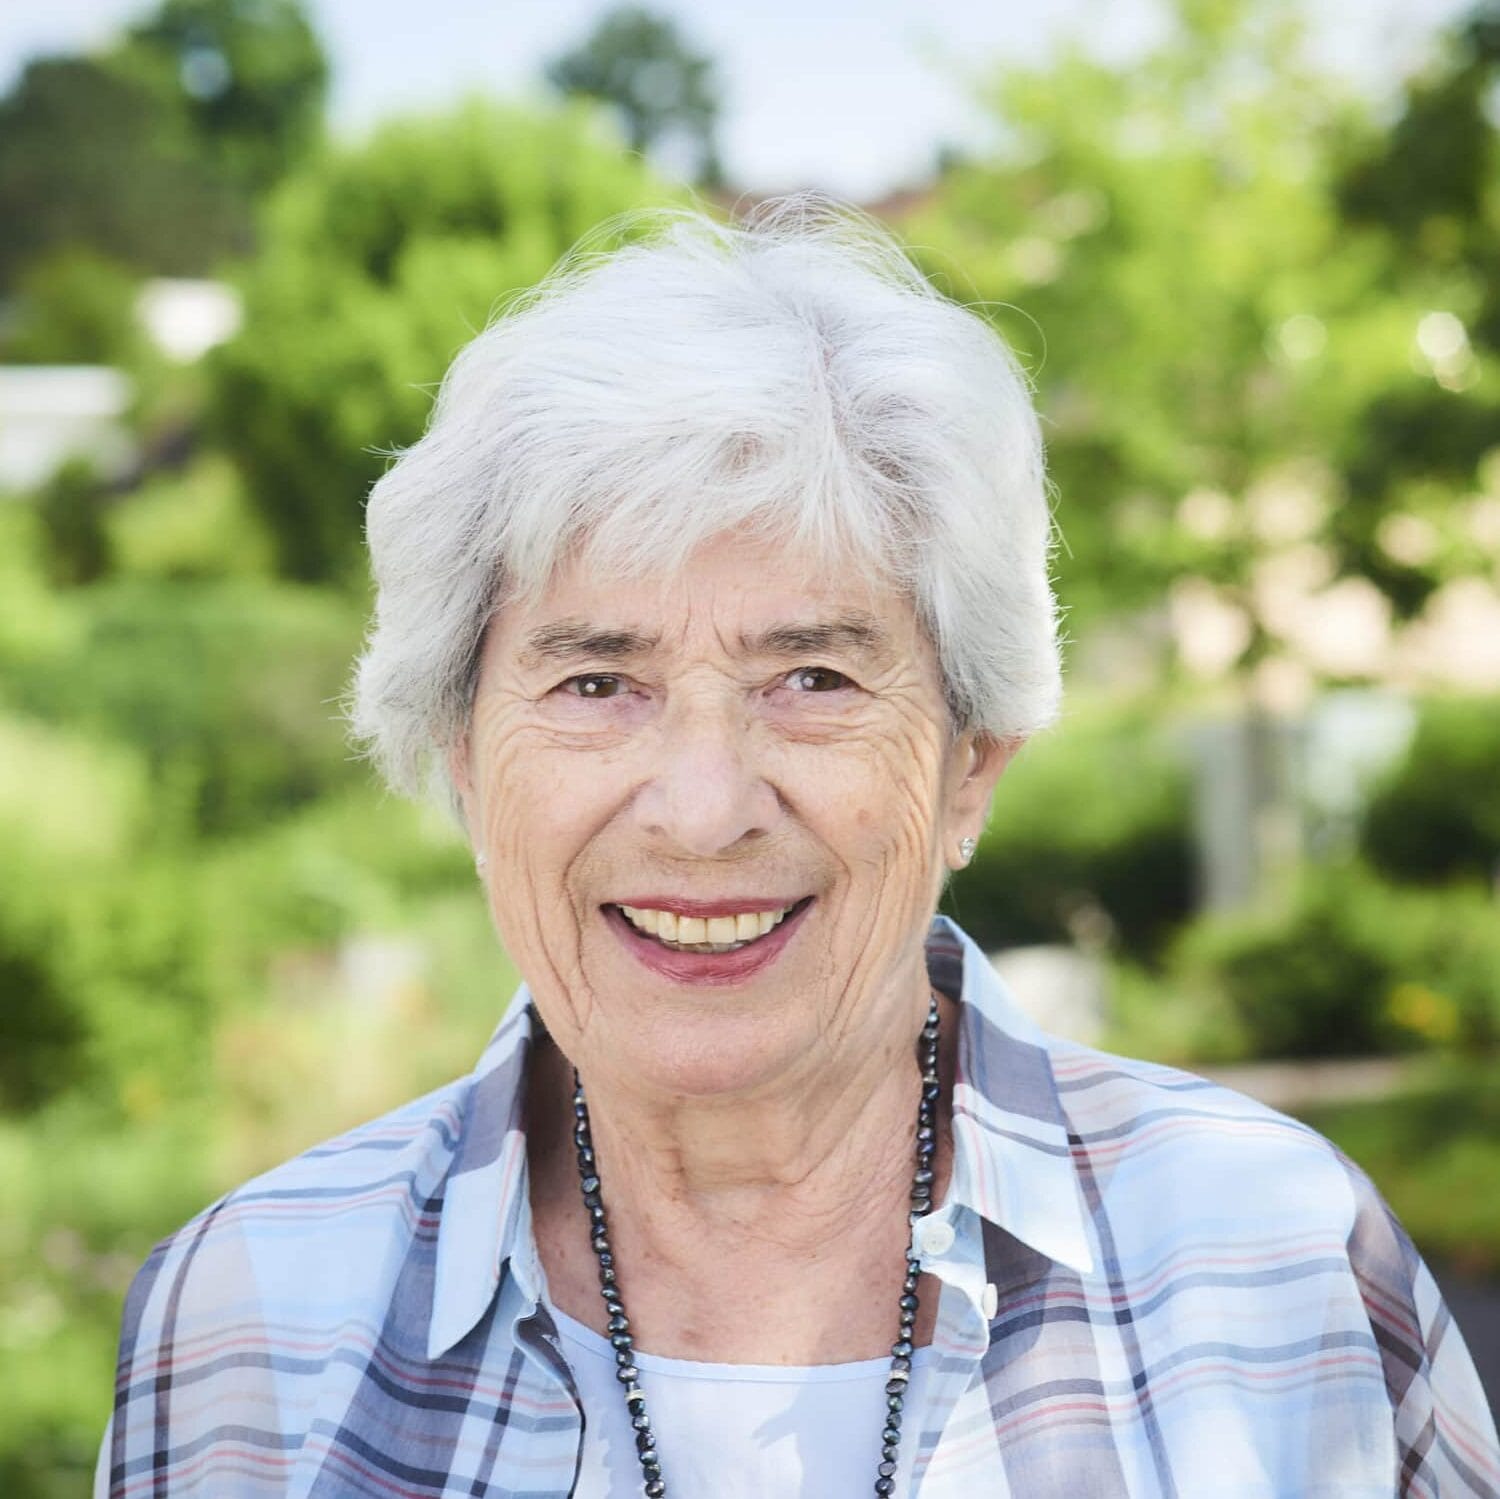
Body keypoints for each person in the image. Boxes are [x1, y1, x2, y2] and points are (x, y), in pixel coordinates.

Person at [99, 198, 1498, 1499]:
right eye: (598, 684)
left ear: (971, 761)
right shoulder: (250, 1327)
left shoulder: (1277, 1264)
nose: (704, 808)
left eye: (813, 679)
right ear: (463, 760)